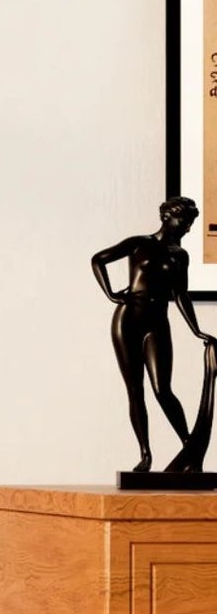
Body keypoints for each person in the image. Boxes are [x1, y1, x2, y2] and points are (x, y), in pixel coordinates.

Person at [92, 196, 215, 472]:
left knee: (163, 390)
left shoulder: (179, 255)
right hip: (128, 320)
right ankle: (146, 455)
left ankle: (189, 446)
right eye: (185, 220)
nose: (188, 227)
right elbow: (98, 260)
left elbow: (180, 294)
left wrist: (196, 331)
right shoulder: (139, 243)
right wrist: (112, 295)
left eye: (191, 222)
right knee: (136, 390)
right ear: (167, 217)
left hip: (158, 321)